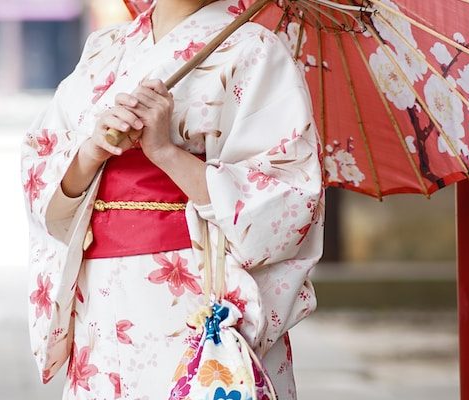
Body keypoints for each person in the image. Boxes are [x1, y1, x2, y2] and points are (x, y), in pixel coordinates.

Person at [20, 0, 325, 398]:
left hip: (193, 288)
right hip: (100, 291)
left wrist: (165, 152)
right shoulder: (105, 47)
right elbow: (41, 165)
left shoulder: (255, 49)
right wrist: (92, 150)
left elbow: (286, 199)